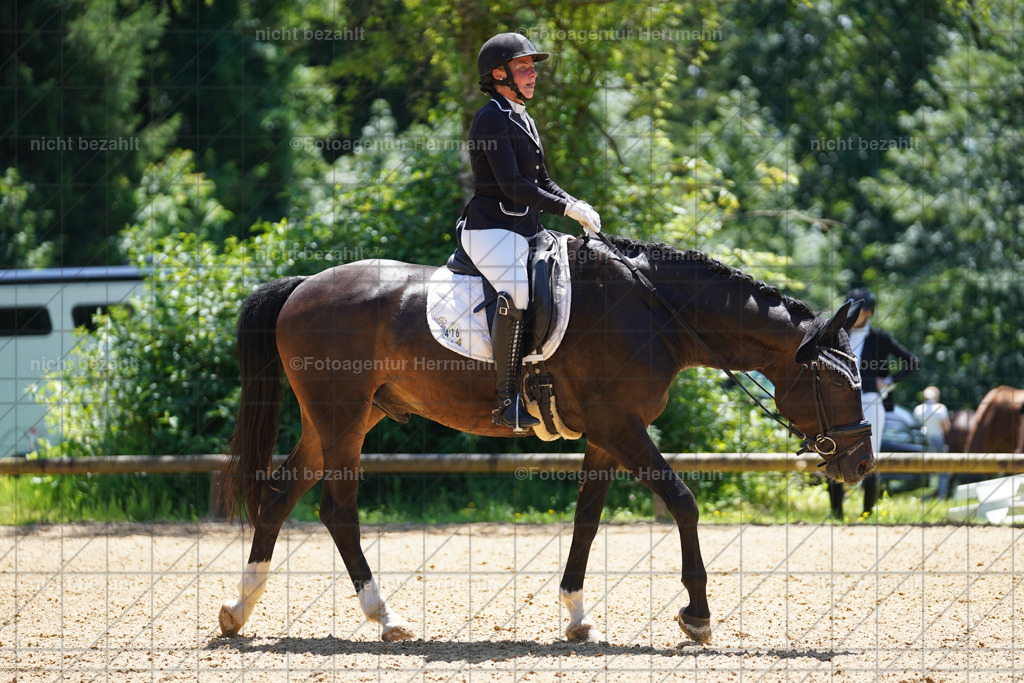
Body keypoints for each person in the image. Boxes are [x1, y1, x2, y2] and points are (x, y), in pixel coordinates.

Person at [457, 33, 601, 431]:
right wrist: (564, 208)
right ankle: (505, 401)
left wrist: (576, 203)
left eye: (532, 67)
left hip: (524, 230)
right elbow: (513, 186)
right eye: (524, 67)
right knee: (517, 290)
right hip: (490, 230)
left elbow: (542, 180)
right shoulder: (490, 117)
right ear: (500, 74)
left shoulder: (522, 116)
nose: (533, 74)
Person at [828, 288, 919, 518]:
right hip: (838, 401)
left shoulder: (880, 338)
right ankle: (836, 512)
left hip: (870, 400)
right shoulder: (837, 334)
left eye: (855, 311)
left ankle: (866, 513)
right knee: (835, 453)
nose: (850, 315)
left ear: (868, 312)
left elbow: (911, 362)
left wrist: (888, 382)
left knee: (870, 456)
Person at [914, 386, 952, 496]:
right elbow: (946, 428)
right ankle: (941, 495)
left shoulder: (917, 409)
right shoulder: (941, 408)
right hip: (938, 441)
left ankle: (921, 495)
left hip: (922, 442)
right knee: (943, 468)